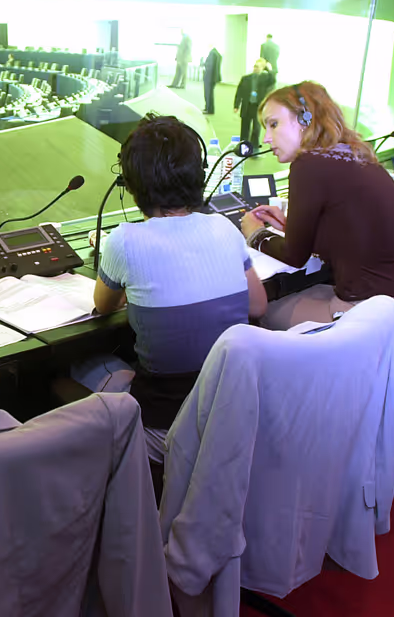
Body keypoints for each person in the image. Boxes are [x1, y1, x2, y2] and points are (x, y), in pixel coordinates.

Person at [81, 114, 266, 461]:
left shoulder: (123, 241)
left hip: (164, 429)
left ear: (130, 182)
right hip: (231, 418)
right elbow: (258, 307)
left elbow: (103, 306)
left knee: (76, 370)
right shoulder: (225, 229)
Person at [240, 81, 394, 331]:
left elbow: (294, 257)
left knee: (257, 311)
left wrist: (254, 233)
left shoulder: (309, 163)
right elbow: (348, 235)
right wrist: (291, 227)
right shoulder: (355, 155)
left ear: (305, 119)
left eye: (273, 124)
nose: (266, 138)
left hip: (379, 328)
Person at [234, 58, 276, 146]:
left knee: (256, 128)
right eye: (255, 66)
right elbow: (239, 92)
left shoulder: (265, 79)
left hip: (257, 106)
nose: (256, 68)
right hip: (247, 106)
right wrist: (236, 105)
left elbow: (273, 79)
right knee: (245, 127)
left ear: (262, 68)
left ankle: (254, 146)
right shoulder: (246, 78)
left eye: (258, 67)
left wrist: (269, 69)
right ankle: (243, 144)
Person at [202, 47, 222, 114]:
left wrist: (203, 64)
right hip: (214, 77)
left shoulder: (212, 54)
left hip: (209, 77)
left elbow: (210, 65)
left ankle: (209, 109)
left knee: (208, 94)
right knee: (210, 94)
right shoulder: (217, 54)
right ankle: (209, 108)